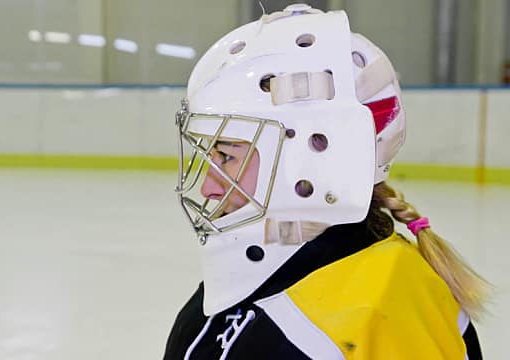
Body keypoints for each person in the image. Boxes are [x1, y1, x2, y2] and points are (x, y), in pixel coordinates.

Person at [164, 4, 488, 360]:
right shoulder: (418, 279)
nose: (209, 188)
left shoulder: (290, 331)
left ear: (312, 155)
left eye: (226, 157)